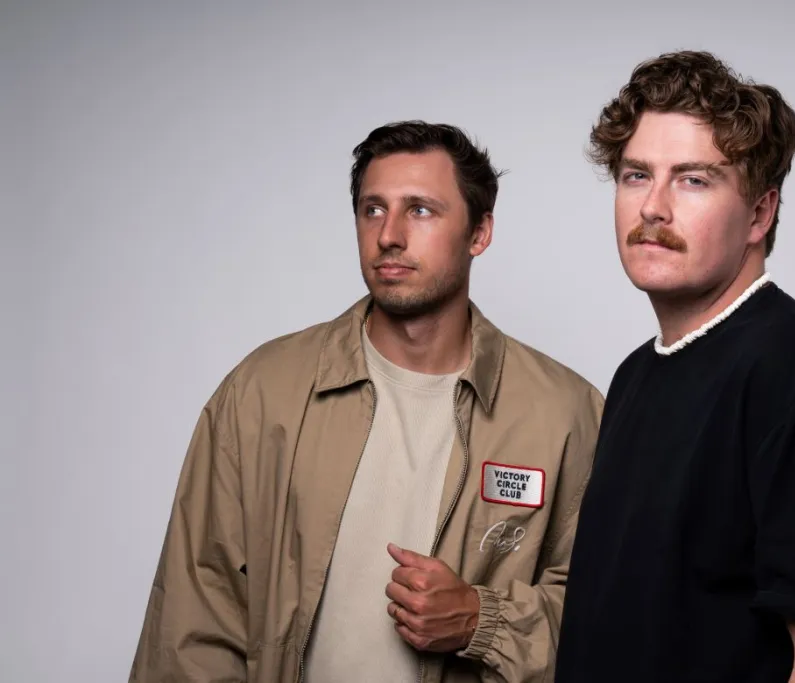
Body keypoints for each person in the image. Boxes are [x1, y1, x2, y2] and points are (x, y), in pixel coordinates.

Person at [130, 120, 604, 683]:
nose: (389, 235)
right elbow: (193, 619)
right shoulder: (263, 392)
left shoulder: (564, 414)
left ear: (479, 232)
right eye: (373, 209)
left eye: (421, 210)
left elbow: (612, 615)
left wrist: (483, 620)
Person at [554, 51, 795, 683]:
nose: (653, 207)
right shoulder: (637, 374)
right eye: (636, 175)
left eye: (693, 180)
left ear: (759, 214)